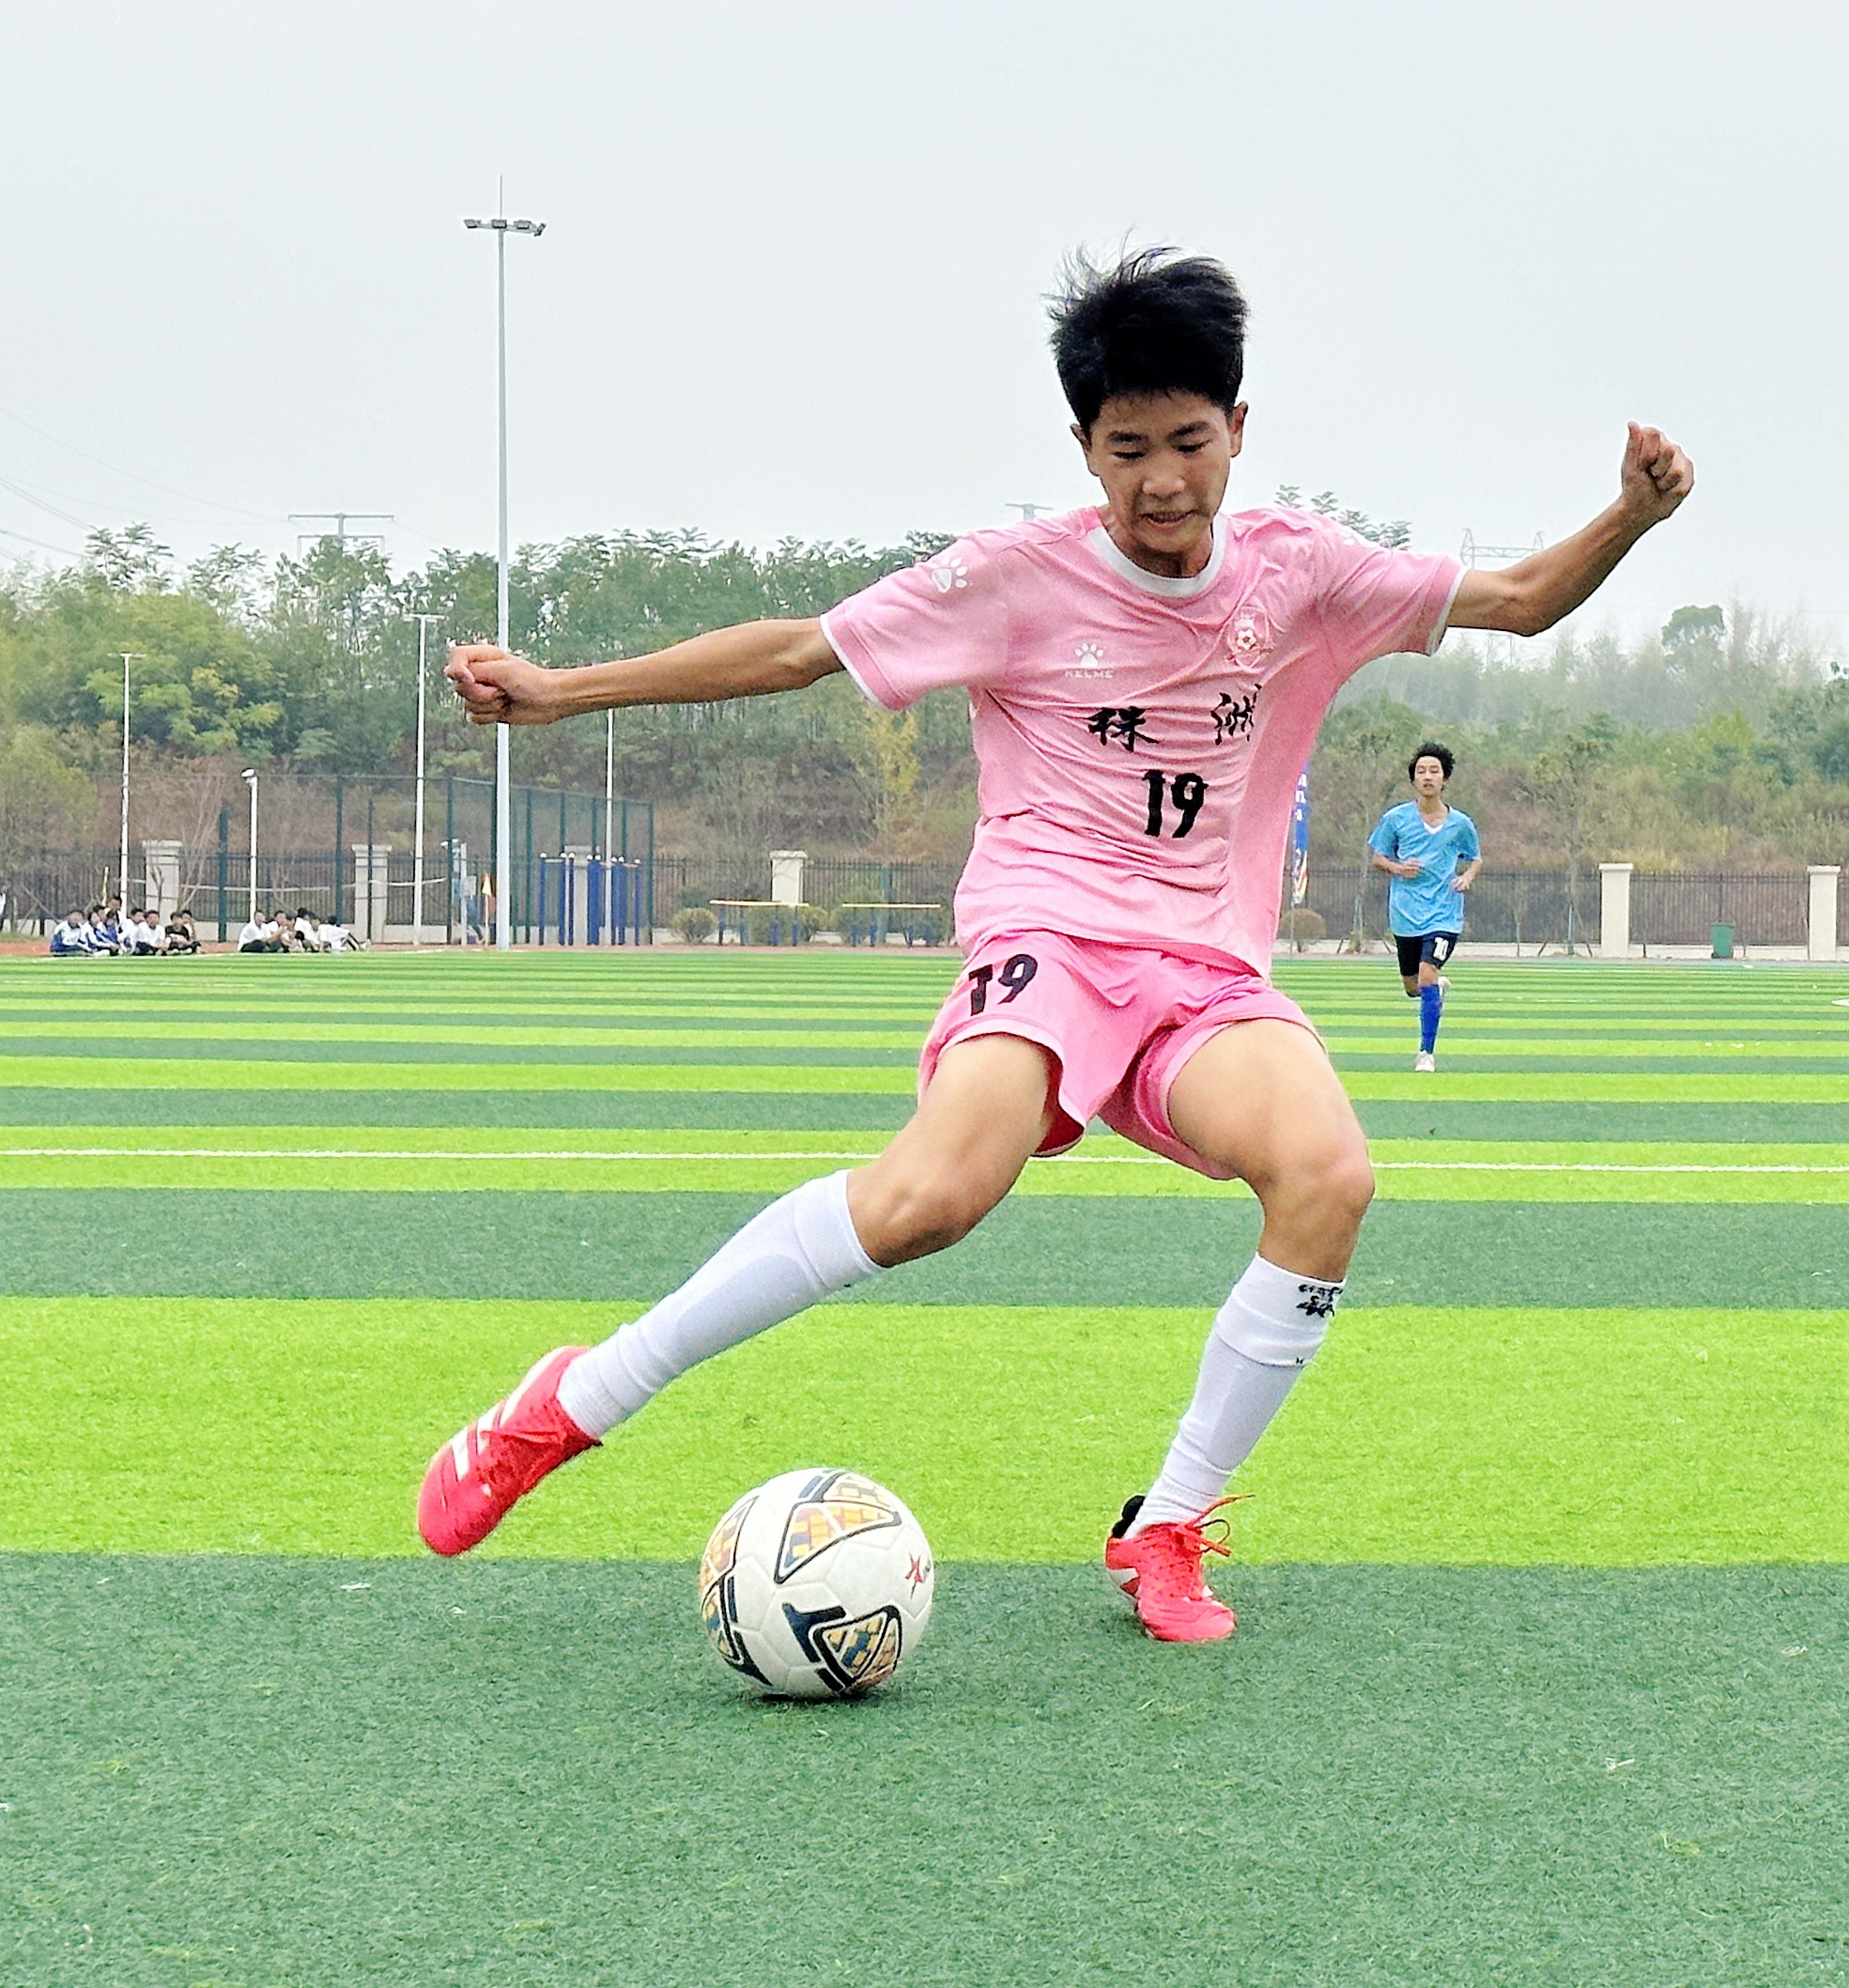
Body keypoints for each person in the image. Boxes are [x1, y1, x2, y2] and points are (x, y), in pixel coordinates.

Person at [415, 246, 1695, 1643]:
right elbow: (797, 651)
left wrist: (1628, 516)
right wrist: (558, 692)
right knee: (930, 1199)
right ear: (1083, 448)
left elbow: (1519, 598)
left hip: (1203, 971)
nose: (1163, 481)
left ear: (1239, 429)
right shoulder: (1012, 580)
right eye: (1127, 449)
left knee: (1330, 1176)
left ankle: (1169, 1523)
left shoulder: (1304, 572)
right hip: (1048, 938)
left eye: (1189, 442)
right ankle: (571, 1401)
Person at [1366, 743, 1481, 1072]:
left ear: (1445, 779)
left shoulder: (1460, 824)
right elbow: (1378, 857)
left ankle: (1425, 1053)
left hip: (1444, 914)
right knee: (1413, 986)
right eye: (1421, 771)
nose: (1427, 776)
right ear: (1413, 779)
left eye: (1434, 771)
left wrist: (1467, 877)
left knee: (1427, 974)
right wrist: (1398, 868)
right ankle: (1434, 991)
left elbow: (1475, 858)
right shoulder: (1396, 819)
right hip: (1405, 914)